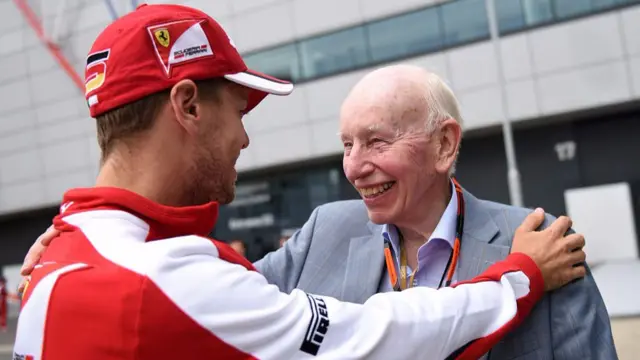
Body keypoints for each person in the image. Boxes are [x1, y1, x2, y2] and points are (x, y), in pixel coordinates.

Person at [17, 5, 587, 359]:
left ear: (445, 144)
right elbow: (384, 338)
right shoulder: (163, 280)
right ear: (188, 106)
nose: (244, 140)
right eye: (239, 112)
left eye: (377, 140)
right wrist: (523, 275)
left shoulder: (60, 262)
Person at [253, 66, 616, 359]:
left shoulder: (543, 242)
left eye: (376, 141)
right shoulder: (324, 230)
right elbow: (229, 311)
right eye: (348, 144)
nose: (353, 167)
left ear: (444, 145)